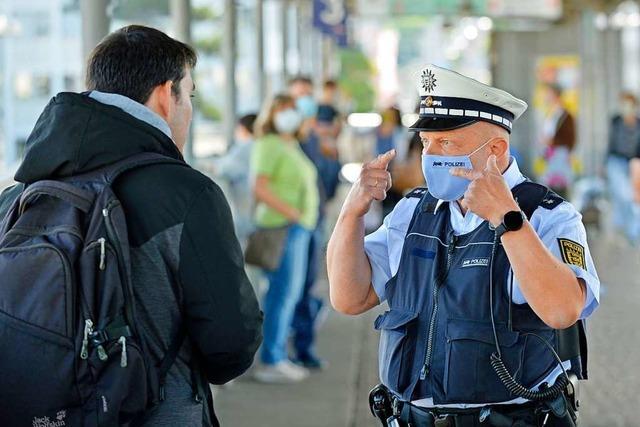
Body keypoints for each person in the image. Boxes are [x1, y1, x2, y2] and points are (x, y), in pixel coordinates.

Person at [0, 25, 263, 426]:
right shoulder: (187, 195)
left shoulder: (18, 196)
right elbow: (230, 345)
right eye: (188, 96)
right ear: (165, 95)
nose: (189, 111)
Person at [327, 64, 600, 426]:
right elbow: (349, 297)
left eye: (447, 143)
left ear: (496, 148)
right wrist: (352, 214)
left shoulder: (548, 216)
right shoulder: (413, 212)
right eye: (426, 142)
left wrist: (507, 219)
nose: (430, 155)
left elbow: (563, 309)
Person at [251, 94, 320, 382]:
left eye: (292, 110)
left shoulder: (290, 144)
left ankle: (277, 353)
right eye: (282, 110)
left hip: (299, 228)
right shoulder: (268, 144)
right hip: (283, 227)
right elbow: (260, 187)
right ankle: (271, 359)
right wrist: (292, 213)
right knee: (282, 294)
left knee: (289, 294)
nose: (288, 115)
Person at [212, 113, 258, 247]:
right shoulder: (259, 146)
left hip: (245, 209)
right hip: (253, 209)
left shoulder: (245, 147)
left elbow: (224, 168)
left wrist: (211, 166)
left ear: (243, 128)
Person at [607, 92, 640, 243]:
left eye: (628, 104)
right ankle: (624, 228)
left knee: (632, 196)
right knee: (622, 194)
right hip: (616, 160)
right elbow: (611, 142)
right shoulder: (616, 120)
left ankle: (631, 230)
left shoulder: (638, 122)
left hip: (633, 162)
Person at [537, 83, 577, 199]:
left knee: (560, 187)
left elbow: (570, 138)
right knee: (549, 187)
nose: (546, 97)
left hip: (559, 155)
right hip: (549, 155)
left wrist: (552, 141)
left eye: (548, 94)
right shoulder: (550, 113)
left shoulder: (565, 115)